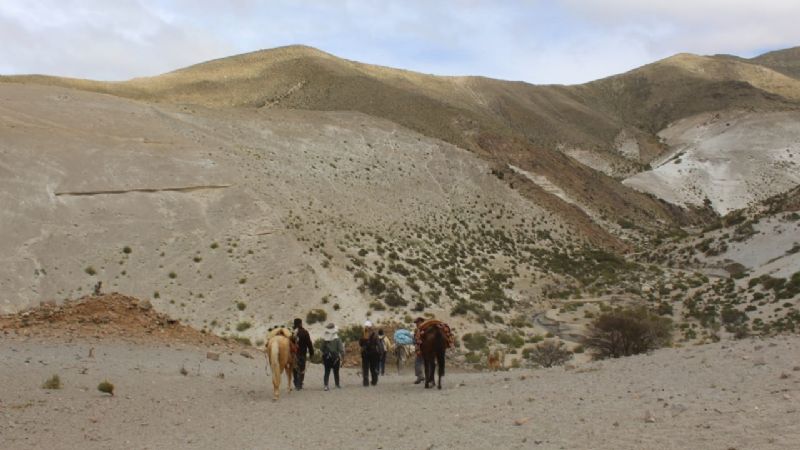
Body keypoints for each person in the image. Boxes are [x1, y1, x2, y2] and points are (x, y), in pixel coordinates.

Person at [320, 323, 344, 391]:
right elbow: (341, 349)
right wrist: (343, 356)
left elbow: (321, 348)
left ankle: (326, 385)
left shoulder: (325, 339)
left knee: (327, 372)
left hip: (327, 358)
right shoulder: (337, 339)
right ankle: (337, 384)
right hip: (336, 358)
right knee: (336, 372)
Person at [292, 318, 314, 390]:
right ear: (301, 323)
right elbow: (309, 343)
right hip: (302, 353)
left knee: (295, 368)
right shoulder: (305, 332)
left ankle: (295, 382)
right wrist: (311, 352)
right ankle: (299, 384)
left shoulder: (291, 332)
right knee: (302, 368)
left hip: (294, 354)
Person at [359, 320, 382, 386]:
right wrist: (380, 353)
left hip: (365, 353)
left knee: (365, 368)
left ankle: (366, 382)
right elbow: (379, 344)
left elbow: (360, 344)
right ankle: (374, 381)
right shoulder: (375, 334)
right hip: (374, 353)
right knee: (373, 367)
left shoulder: (363, 334)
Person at [413, 317, 425, 384]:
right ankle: (422, 377)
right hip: (421, 349)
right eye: (416, 323)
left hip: (421, 349)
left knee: (418, 363)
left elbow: (417, 340)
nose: (416, 324)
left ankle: (420, 377)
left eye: (417, 322)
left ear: (421, 322)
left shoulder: (422, 330)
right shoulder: (418, 330)